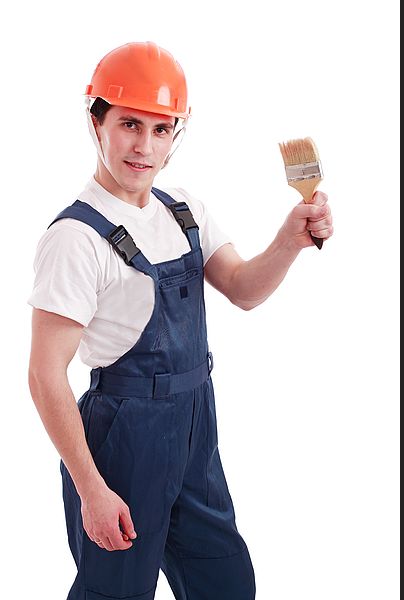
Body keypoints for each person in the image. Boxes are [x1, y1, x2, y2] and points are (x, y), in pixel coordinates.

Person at [27, 41, 333, 600]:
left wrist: (290, 239)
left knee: (226, 581)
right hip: (123, 438)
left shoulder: (182, 208)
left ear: (177, 133)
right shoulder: (74, 239)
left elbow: (243, 289)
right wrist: (92, 489)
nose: (145, 146)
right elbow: (45, 376)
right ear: (95, 121)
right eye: (129, 124)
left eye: (162, 129)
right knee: (116, 592)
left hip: (195, 424)